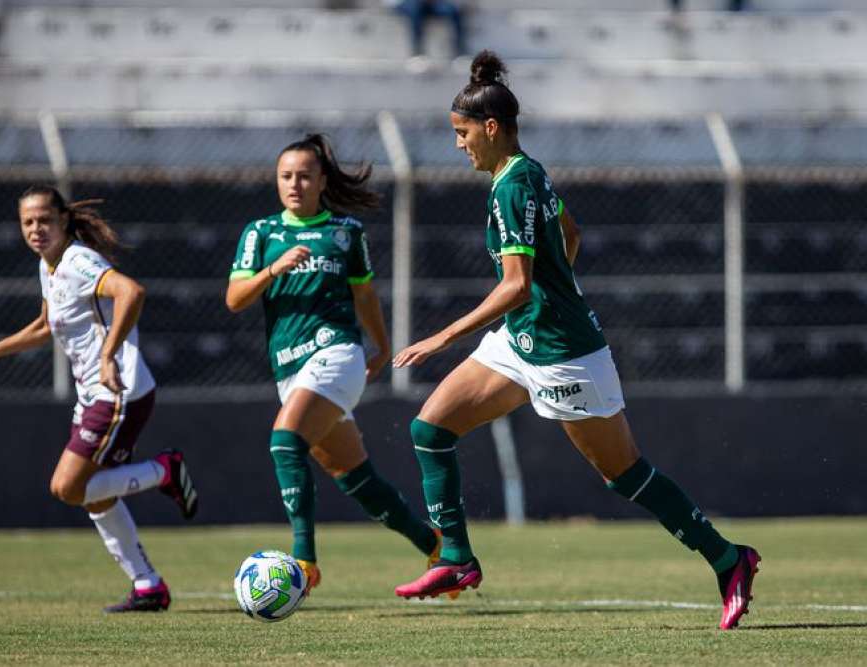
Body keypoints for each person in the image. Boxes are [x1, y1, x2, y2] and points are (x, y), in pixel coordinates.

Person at [390, 51, 760, 630]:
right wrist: (557, 289)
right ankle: (457, 558)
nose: (458, 145)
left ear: (491, 129)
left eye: (462, 134)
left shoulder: (513, 187)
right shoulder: (530, 172)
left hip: (564, 354)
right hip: (521, 341)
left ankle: (728, 558)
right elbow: (570, 232)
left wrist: (442, 337)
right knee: (430, 429)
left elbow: (516, 285)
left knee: (625, 475)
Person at [0, 185, 198, 613]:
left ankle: (164, 471)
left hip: (118, 392)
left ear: (64, 220)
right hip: (95, 395)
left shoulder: (79, 260)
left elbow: (131, 292)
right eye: (27, 222)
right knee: (95, 494)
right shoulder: (49, 267)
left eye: (44, 220)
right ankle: (147, 586)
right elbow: (47, 325)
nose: (35, 229)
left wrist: (107, 355)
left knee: (67, 487)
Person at [225, 134, 442, 595]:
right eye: (286, 176)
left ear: (322, 180)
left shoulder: (344, 232)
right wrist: (274, 269)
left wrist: (380, 347)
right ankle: (435, 544)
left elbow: (364, 293)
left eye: (304, 175)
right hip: (289, 367)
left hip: (337, 354)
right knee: (357, 480)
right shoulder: (260, 233)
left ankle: (303, 561)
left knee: (285, 442)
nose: (295, 184)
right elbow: (235, 299)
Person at [384, 0, 466, 58]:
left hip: (433, 3)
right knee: (415, 9)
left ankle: (459, 50)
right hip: (402, 3)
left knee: (454, 10)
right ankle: (417, 52)